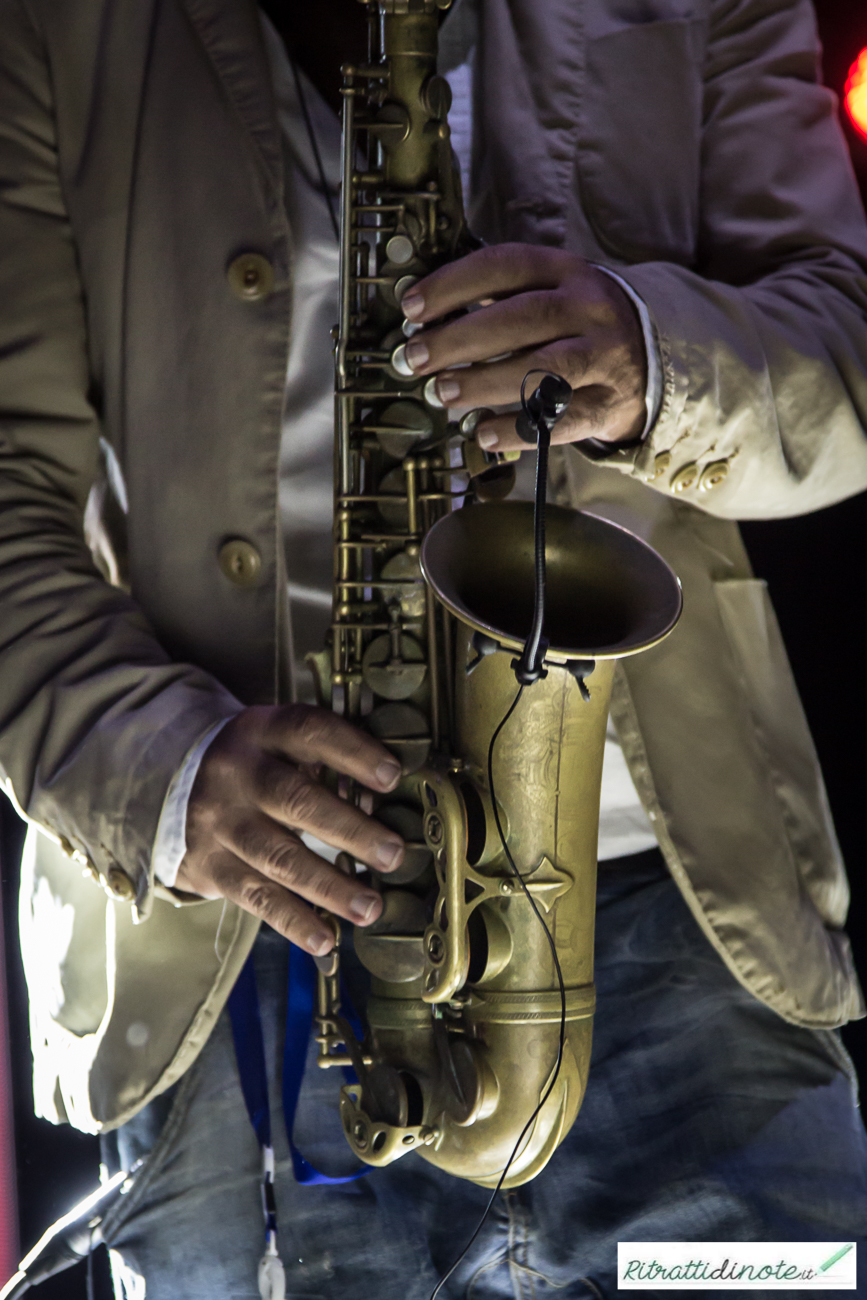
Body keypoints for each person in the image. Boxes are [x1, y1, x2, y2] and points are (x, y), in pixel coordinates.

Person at [1, 0, 867, 1296]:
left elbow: (846, 336)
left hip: (676, 915)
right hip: (248, 942)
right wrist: (162, 773)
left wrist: (650, 357)